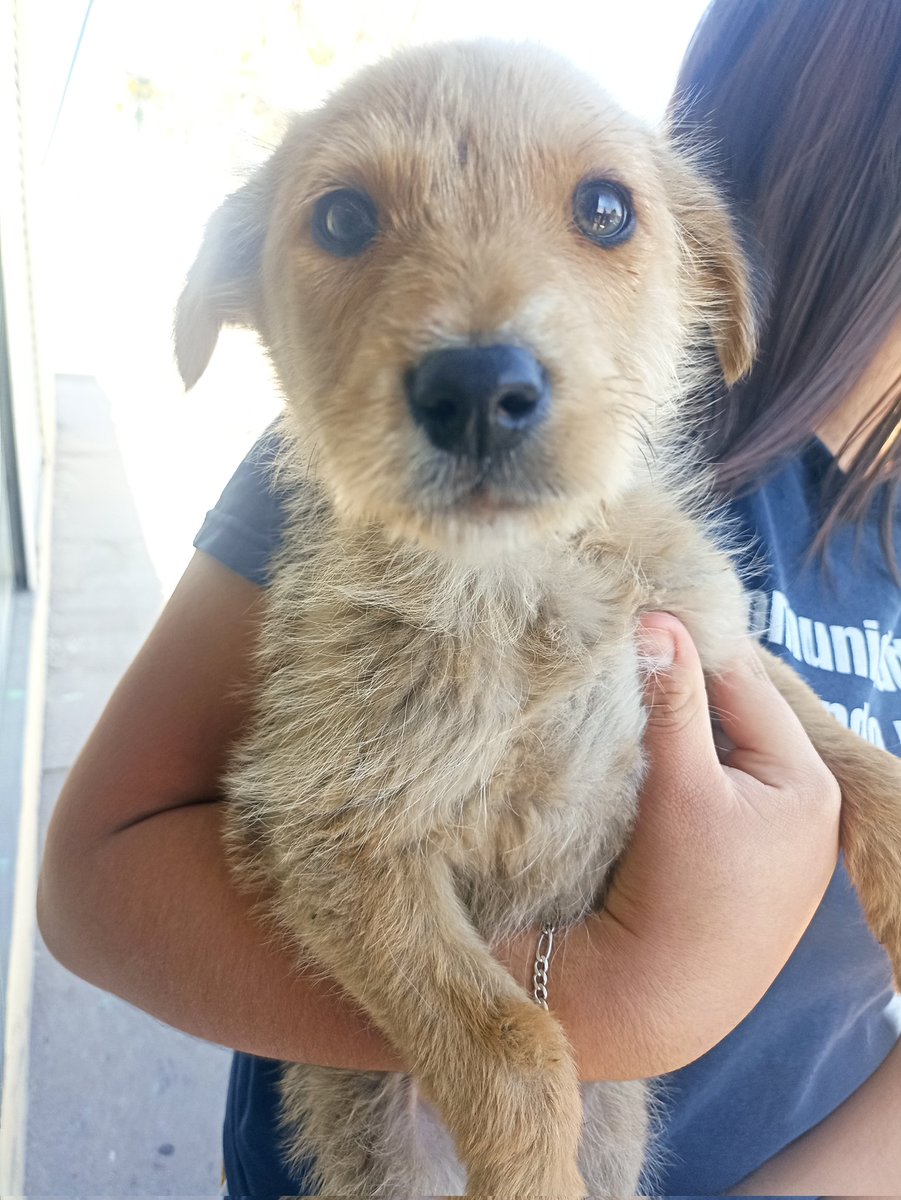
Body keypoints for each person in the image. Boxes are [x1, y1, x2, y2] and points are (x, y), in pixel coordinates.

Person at [37, 0, 901, 1192]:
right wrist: (593, 1002)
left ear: (704, 288)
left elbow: (754, 695)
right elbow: (115, 876)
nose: (487, 351)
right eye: (347, 218)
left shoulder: (733, 537)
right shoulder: (324, 528)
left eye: (600, 215)